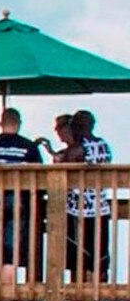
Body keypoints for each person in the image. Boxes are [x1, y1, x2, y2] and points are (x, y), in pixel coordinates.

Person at [0, 109, 45, 284]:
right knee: (10, 253)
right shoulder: (29, 147)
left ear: (0, 123)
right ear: (19, 123)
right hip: (18, 200)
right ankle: (6, 296)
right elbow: (40, 177)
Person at [61, 110, 113, 283]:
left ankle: (79, 300)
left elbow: (63, 173)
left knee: (79, 256)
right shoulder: (103, 145)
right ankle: (98, 298)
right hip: (101, 206)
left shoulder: (76, 149)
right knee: (100, 255)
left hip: (79, 209)